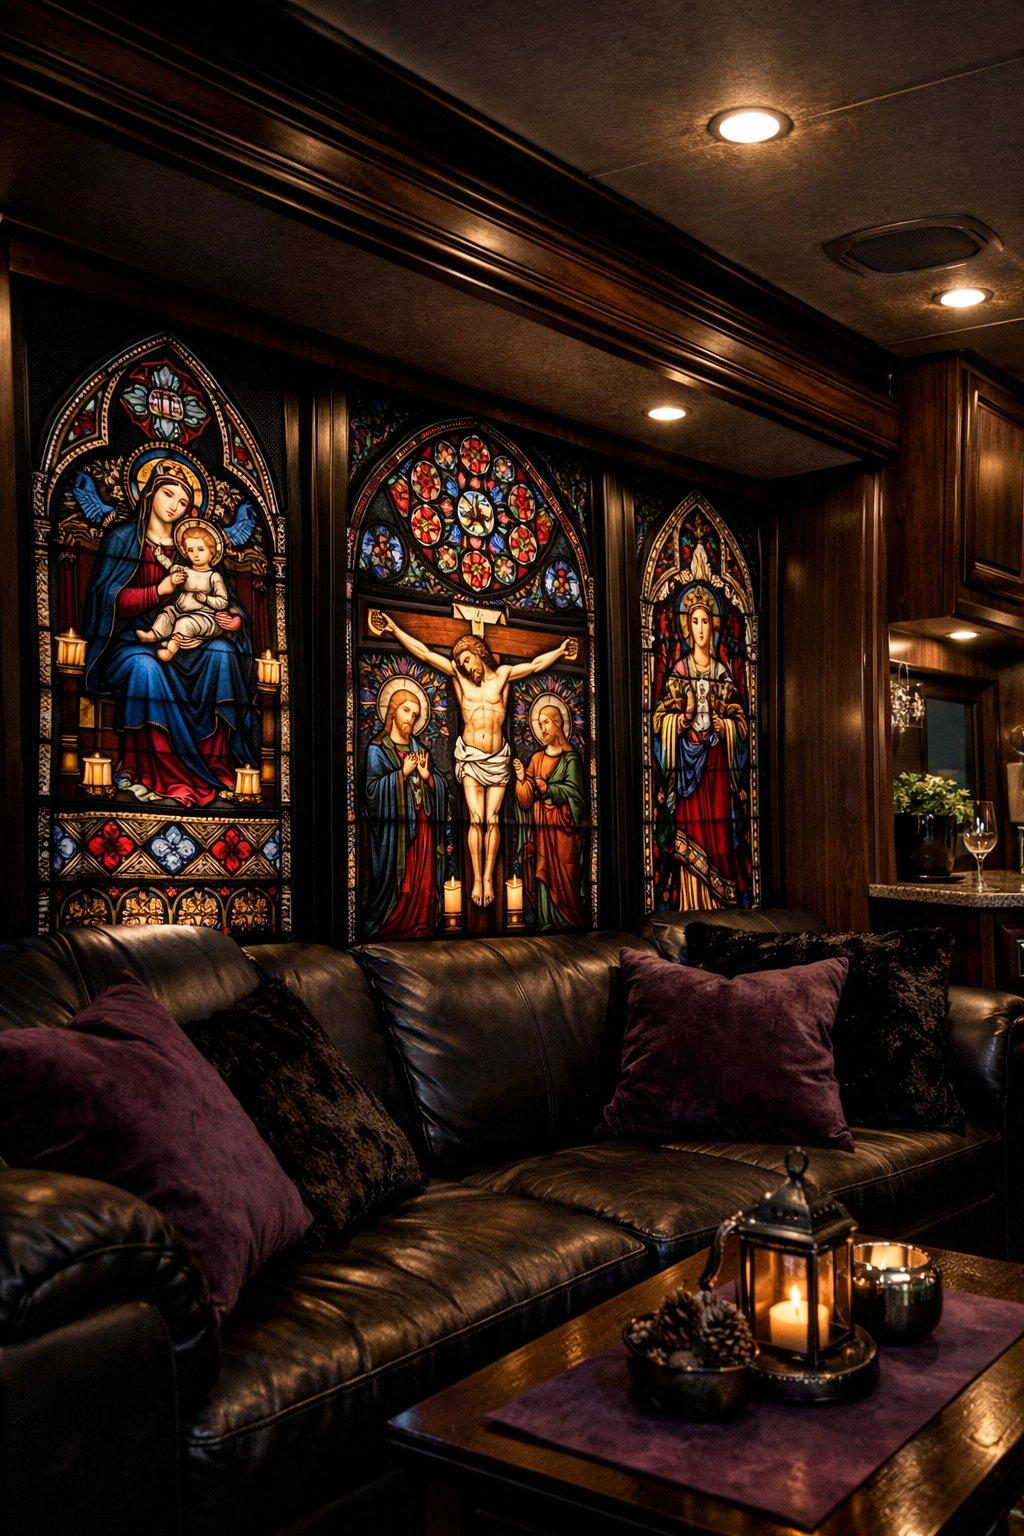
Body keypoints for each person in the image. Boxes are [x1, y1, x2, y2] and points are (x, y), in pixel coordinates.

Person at [82, 457, 258, 808]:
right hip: (130, 642)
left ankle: (217, 767)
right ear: (149, 493)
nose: (175, 506)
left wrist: (235, 621)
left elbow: (225, 599)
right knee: (146, 667)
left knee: (222, 655)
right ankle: (147, 770)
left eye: (183, 502)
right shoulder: (122, 539)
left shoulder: (191, 544)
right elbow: (105, 601)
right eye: (168, 494)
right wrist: (157, 593)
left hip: (192, 640)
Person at [372, 610, 577, 906]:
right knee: (476, 818)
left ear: (479, 653)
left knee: (493, 819)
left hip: (497, 758)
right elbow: (425, 653)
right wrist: (393, 628)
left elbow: (534, 665)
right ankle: (477, 880)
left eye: (468, 659)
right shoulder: (460, 679)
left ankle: (487, 876)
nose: (467, 667)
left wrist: (559, 650)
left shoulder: (503, 675)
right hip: (469, 756)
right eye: (462, 663)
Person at [652, 584, 748, 908]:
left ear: (714, 626)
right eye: (694, 621)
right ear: (686, 627)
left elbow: (741, 722)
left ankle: (720, 905)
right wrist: (677, 723)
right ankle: (692, 902)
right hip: (686, 766)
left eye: (706, 621)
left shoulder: (723, 674)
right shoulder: (678, 673)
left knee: (719, 836)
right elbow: (659, 718)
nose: (701, 628)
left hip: (718, 765)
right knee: (691, 829)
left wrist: (728, 727)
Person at [364, 686, 450, 938]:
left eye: (415, 714)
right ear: (392, 711)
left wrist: (428, 777)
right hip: (397, 835)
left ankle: (423, 924)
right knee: (403, 883)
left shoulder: (419, 749)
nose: (410, 718)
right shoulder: (377, 750)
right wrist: (401, 774)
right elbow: (371, 792)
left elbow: (439, 788)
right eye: (406, 711)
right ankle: (393, 923)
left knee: (423, 882)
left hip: (423, 828)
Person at [513, 701, 585, 930]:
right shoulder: (536, 759)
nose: (543, 729)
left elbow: (576, 797)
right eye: (539, 724)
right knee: (542, 876)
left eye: (546, 723)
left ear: (557, 724)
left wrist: (550, 790)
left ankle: (570, 921)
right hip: (542, 833)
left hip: (564, 834)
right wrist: (522, 779)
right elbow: (525, 801)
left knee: (566, 879)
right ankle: (546, 921)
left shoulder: (571, 759)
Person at [135, 520, 229, 661]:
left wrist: (206, 599)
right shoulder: (185, 570)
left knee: (184, 623)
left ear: (211, 552)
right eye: (190, 550)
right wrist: (160, 556)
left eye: (200, 549)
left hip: (205, 618)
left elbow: (223, 602)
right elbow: (170, 566)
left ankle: (169, 651)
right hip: (180, 610)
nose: (195, 554)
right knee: (167, 613)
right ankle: (153, 635)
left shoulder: (214, 576)